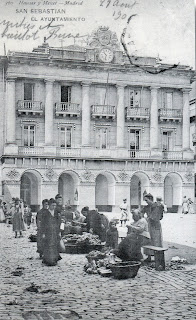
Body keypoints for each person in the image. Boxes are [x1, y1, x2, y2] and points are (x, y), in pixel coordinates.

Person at [142, 194, 164, 262]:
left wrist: (148, 218)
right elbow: (141, 213)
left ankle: (157, 257)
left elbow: (158, 216)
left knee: (156, 240)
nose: (146, 202)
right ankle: (148, 256)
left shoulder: (157, 206)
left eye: (146, 200)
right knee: (148, 239)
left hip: (155, 225)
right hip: (149, 225)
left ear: (150, 199)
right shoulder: (146, 207)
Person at [41, 198, 61, 266]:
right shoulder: (45, 213)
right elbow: (43, 224)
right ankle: (48, 259)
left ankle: (54, 259)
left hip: (55, 232)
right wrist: (43, 233)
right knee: (48, 245)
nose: (54, 207)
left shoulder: (56, 213)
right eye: (52, 205)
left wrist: (60, 231)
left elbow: (60, 222)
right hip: (48, 232)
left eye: (55, 205)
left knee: (55, 245)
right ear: (49, 205)